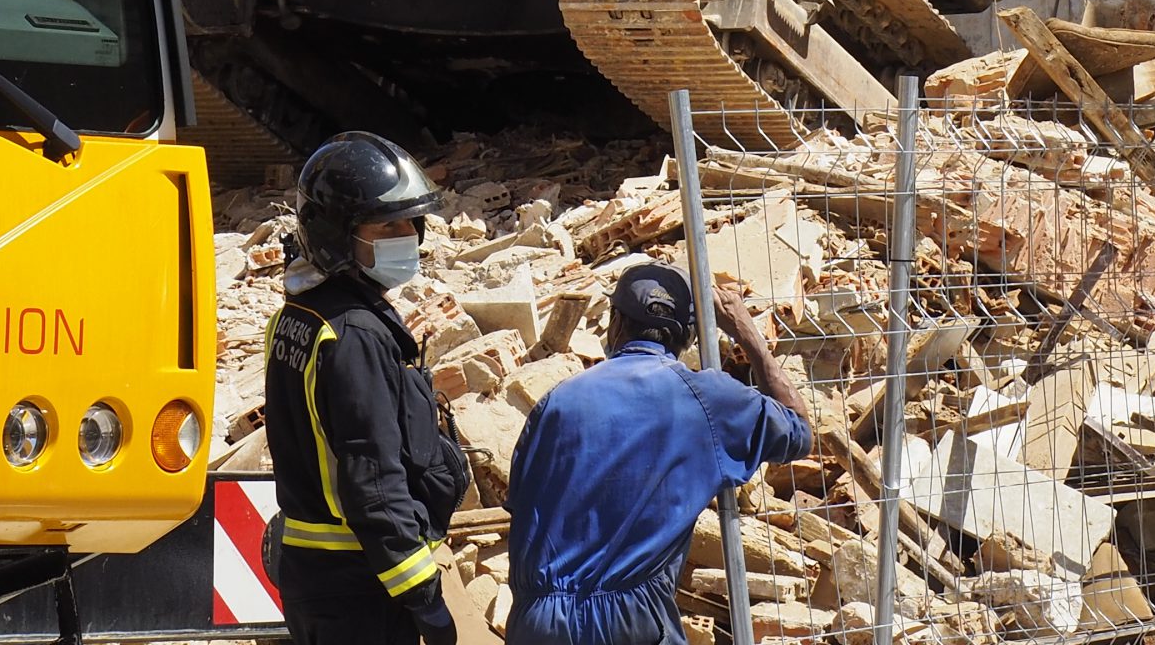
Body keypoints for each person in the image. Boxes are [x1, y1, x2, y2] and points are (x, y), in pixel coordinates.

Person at [506, 262, 813, 645]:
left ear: (615, 322)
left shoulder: (557, 401)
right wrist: (746, 334)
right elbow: (799, 431)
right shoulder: (708, 399)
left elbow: (518, 505)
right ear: (686, 337)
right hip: (629, 620)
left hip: (538, 619)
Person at [266, 132, 469, 645]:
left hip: (319, 576)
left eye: (411, 223)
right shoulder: (354, 333)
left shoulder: (301, 315)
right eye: (388, 225)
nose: (409, 236)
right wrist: (421, 593)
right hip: (359, 584)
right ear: (338, 234)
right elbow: (371, 477)